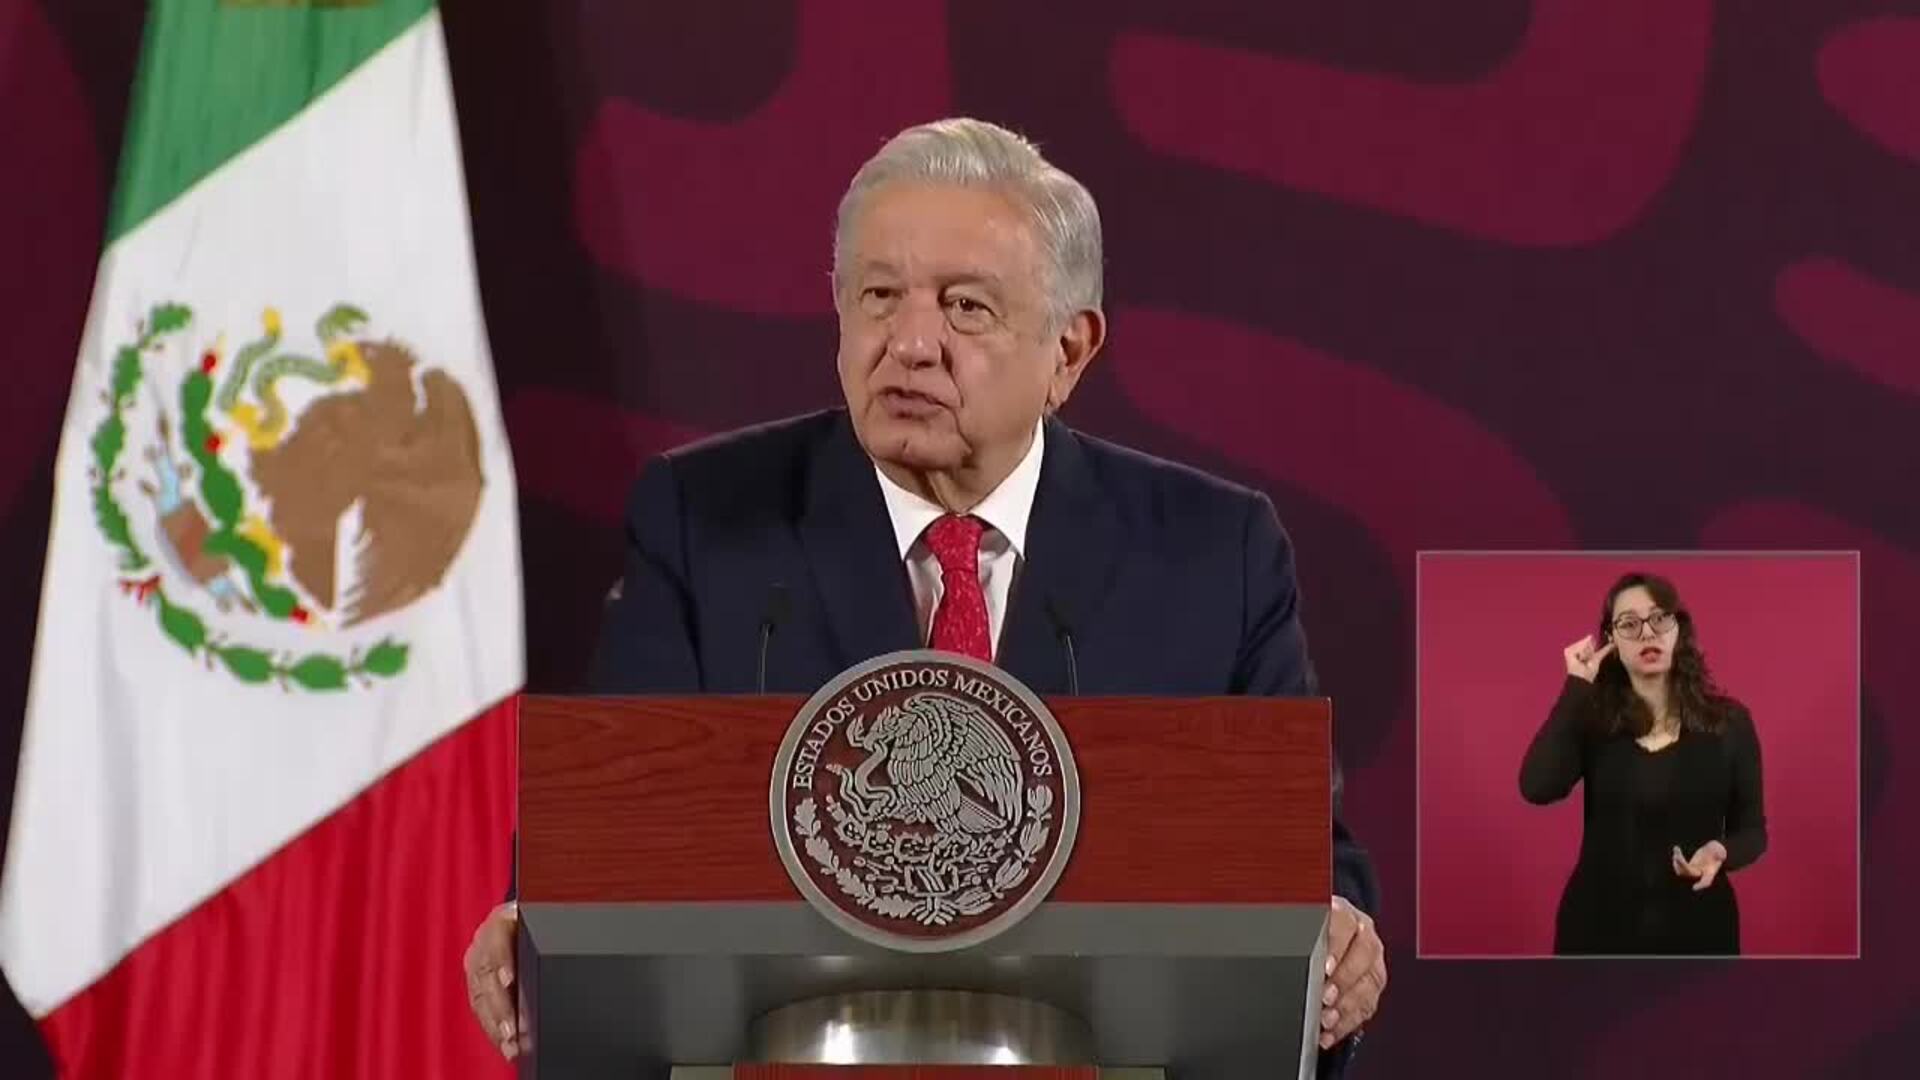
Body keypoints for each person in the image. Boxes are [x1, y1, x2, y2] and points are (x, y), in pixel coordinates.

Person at [464, 117, 1385, 1069]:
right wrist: (539, 925)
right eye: (878, 296)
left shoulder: (1210, 554)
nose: (909, 343)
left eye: (965, 307)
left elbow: (1309, 869)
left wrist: (1341, 947)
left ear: (1068, 351)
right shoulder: (705, 524)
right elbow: (609, 834)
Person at [1520, 571, 1767, 954]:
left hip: (1701, 930)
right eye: (1629, 624)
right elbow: (1536, 787)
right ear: (1612, 640)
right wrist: (1576, 686)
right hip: (1596, 933)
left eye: (1659, 618)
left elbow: (1753, 832)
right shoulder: (1595, 720)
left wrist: (1722, 852)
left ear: (1678, 629)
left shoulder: (1729, 723)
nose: (1647, 633)